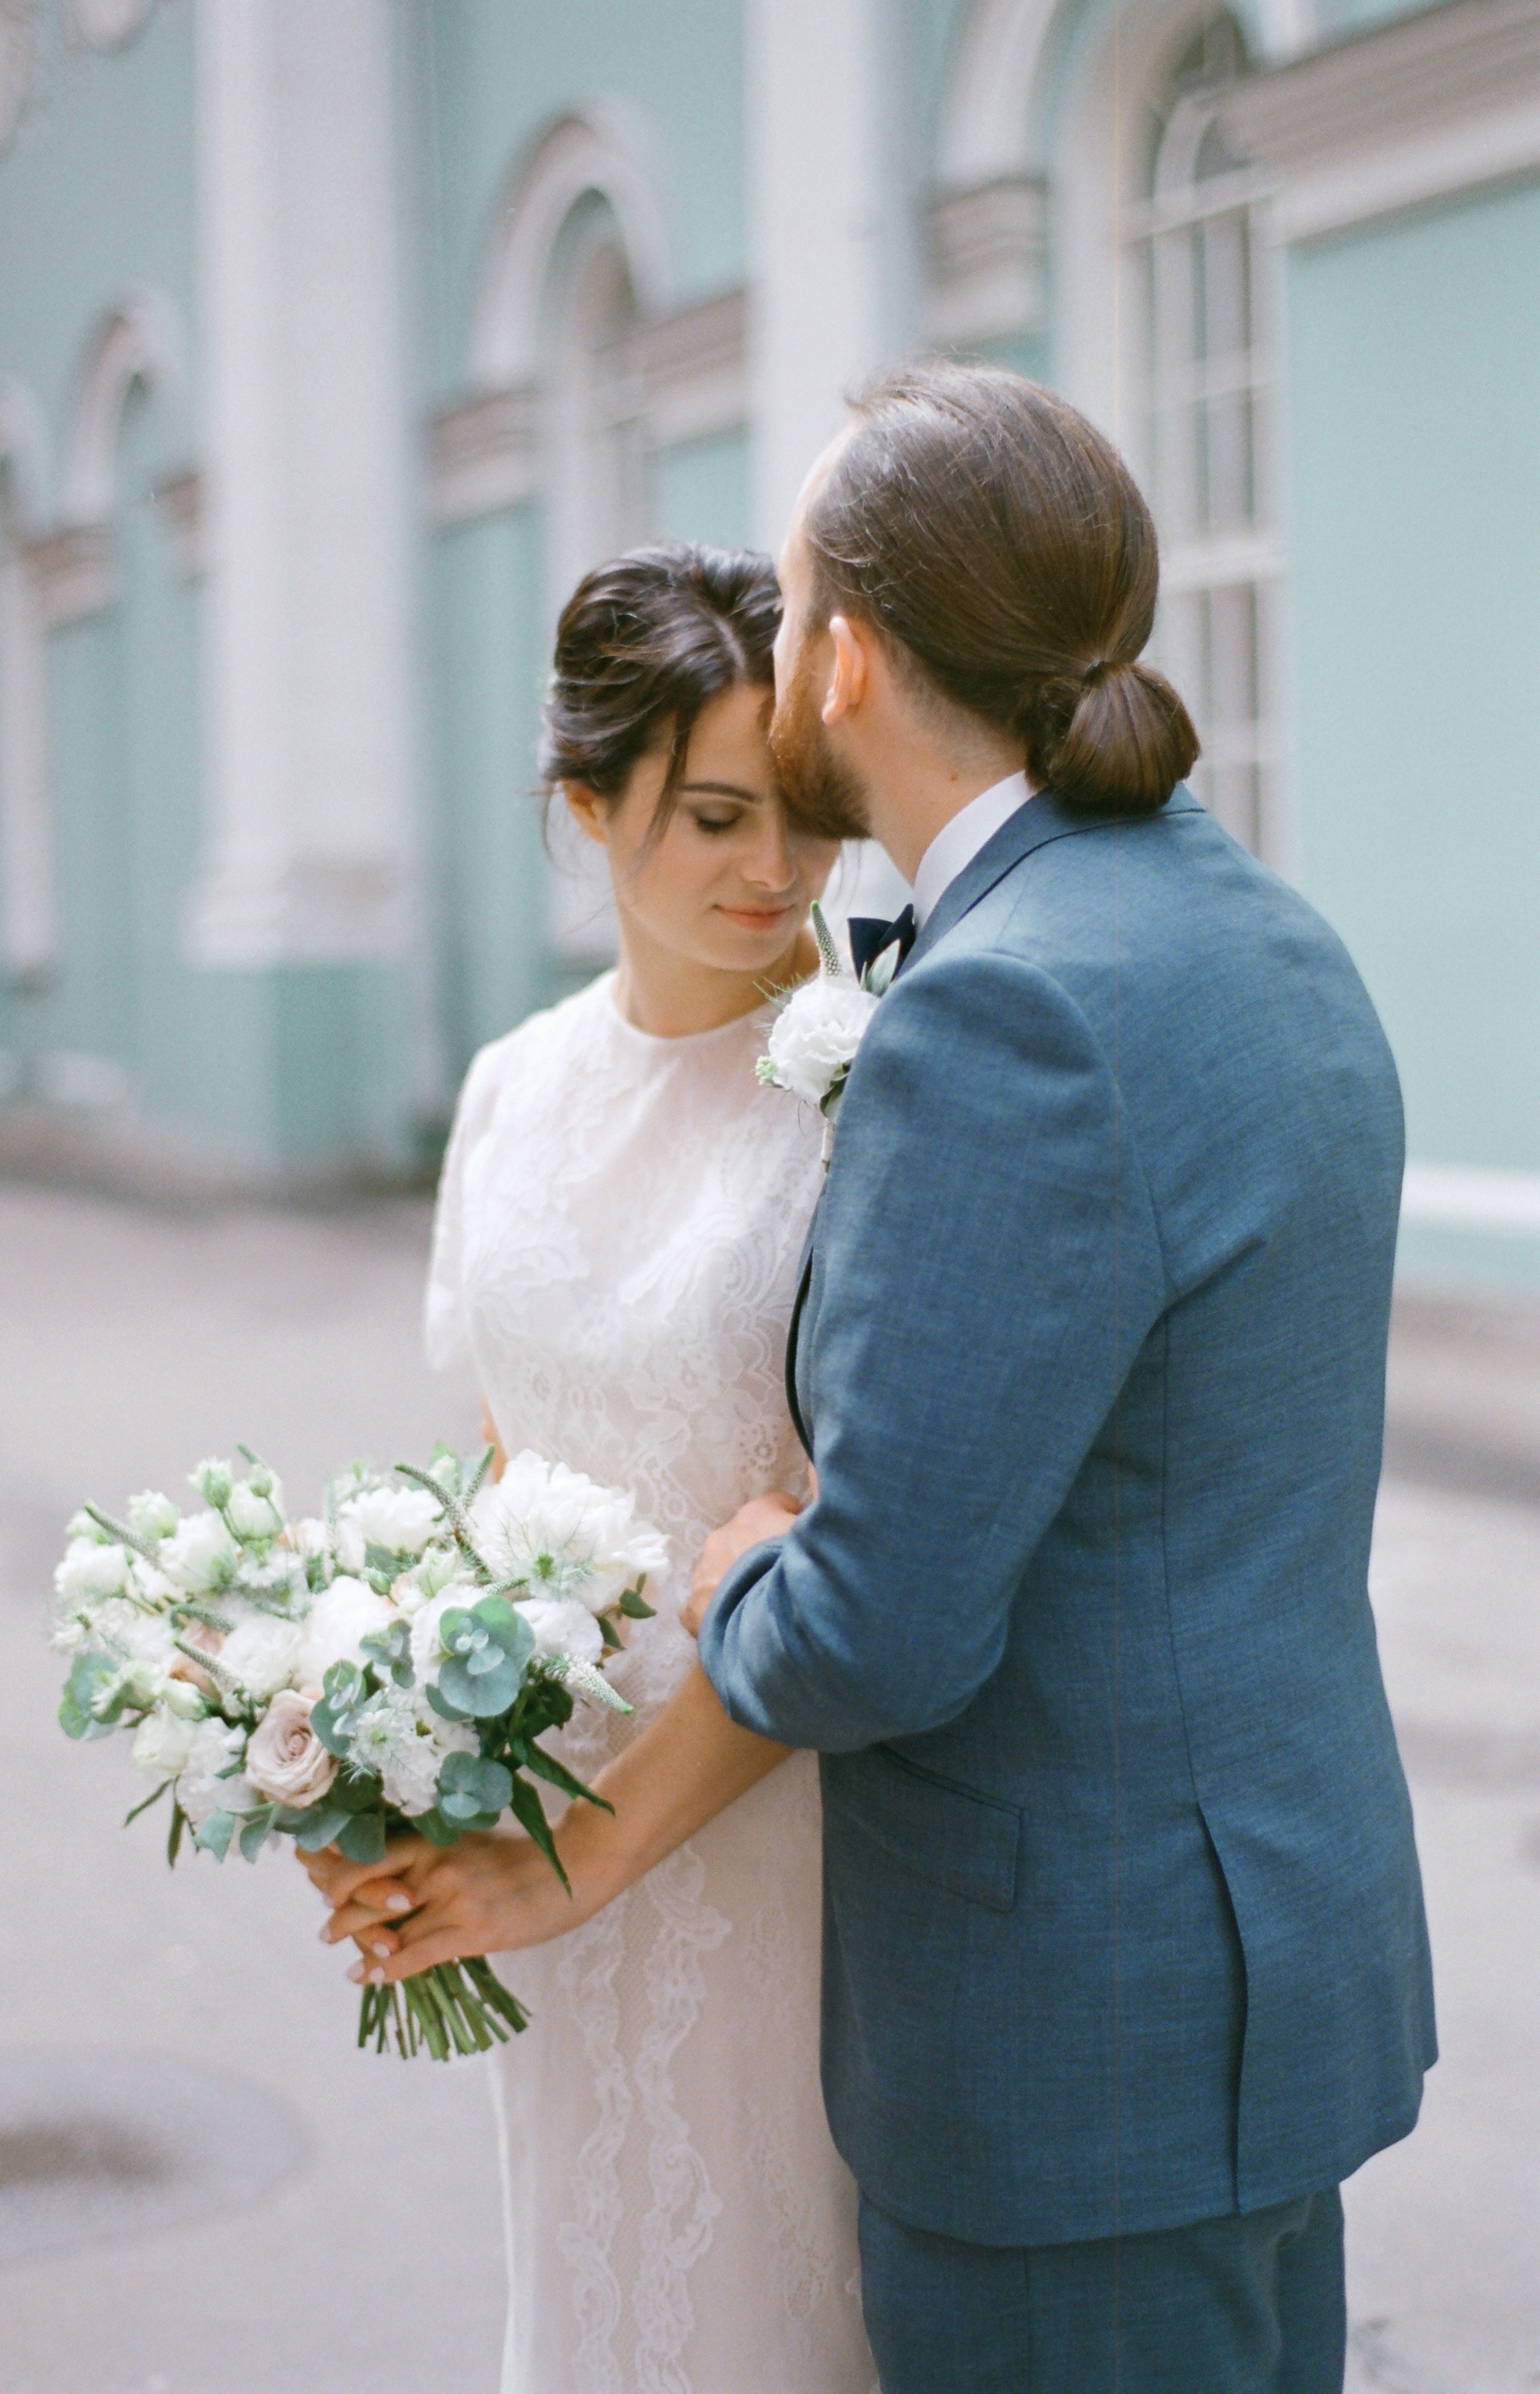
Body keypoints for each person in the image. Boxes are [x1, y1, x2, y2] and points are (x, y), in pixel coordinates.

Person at [684, 363, 1436, 2392]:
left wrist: (742, 1568)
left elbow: (876, 1635)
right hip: (1267, 1988)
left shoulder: (1003, 1011)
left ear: (842, 662)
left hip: (1070, 2061)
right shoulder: (1264, 930)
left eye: (780, 605)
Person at [304, 543, 875, 2394]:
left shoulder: (870, 1079)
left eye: (805, 816)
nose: (776, 873)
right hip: (537, 1834)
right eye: (715, 815)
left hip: (783, 1842)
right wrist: (378, 1755)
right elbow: (496, 1452)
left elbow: (867, 1535)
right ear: (584, 804)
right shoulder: (510, 1090)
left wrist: (591, 1852)